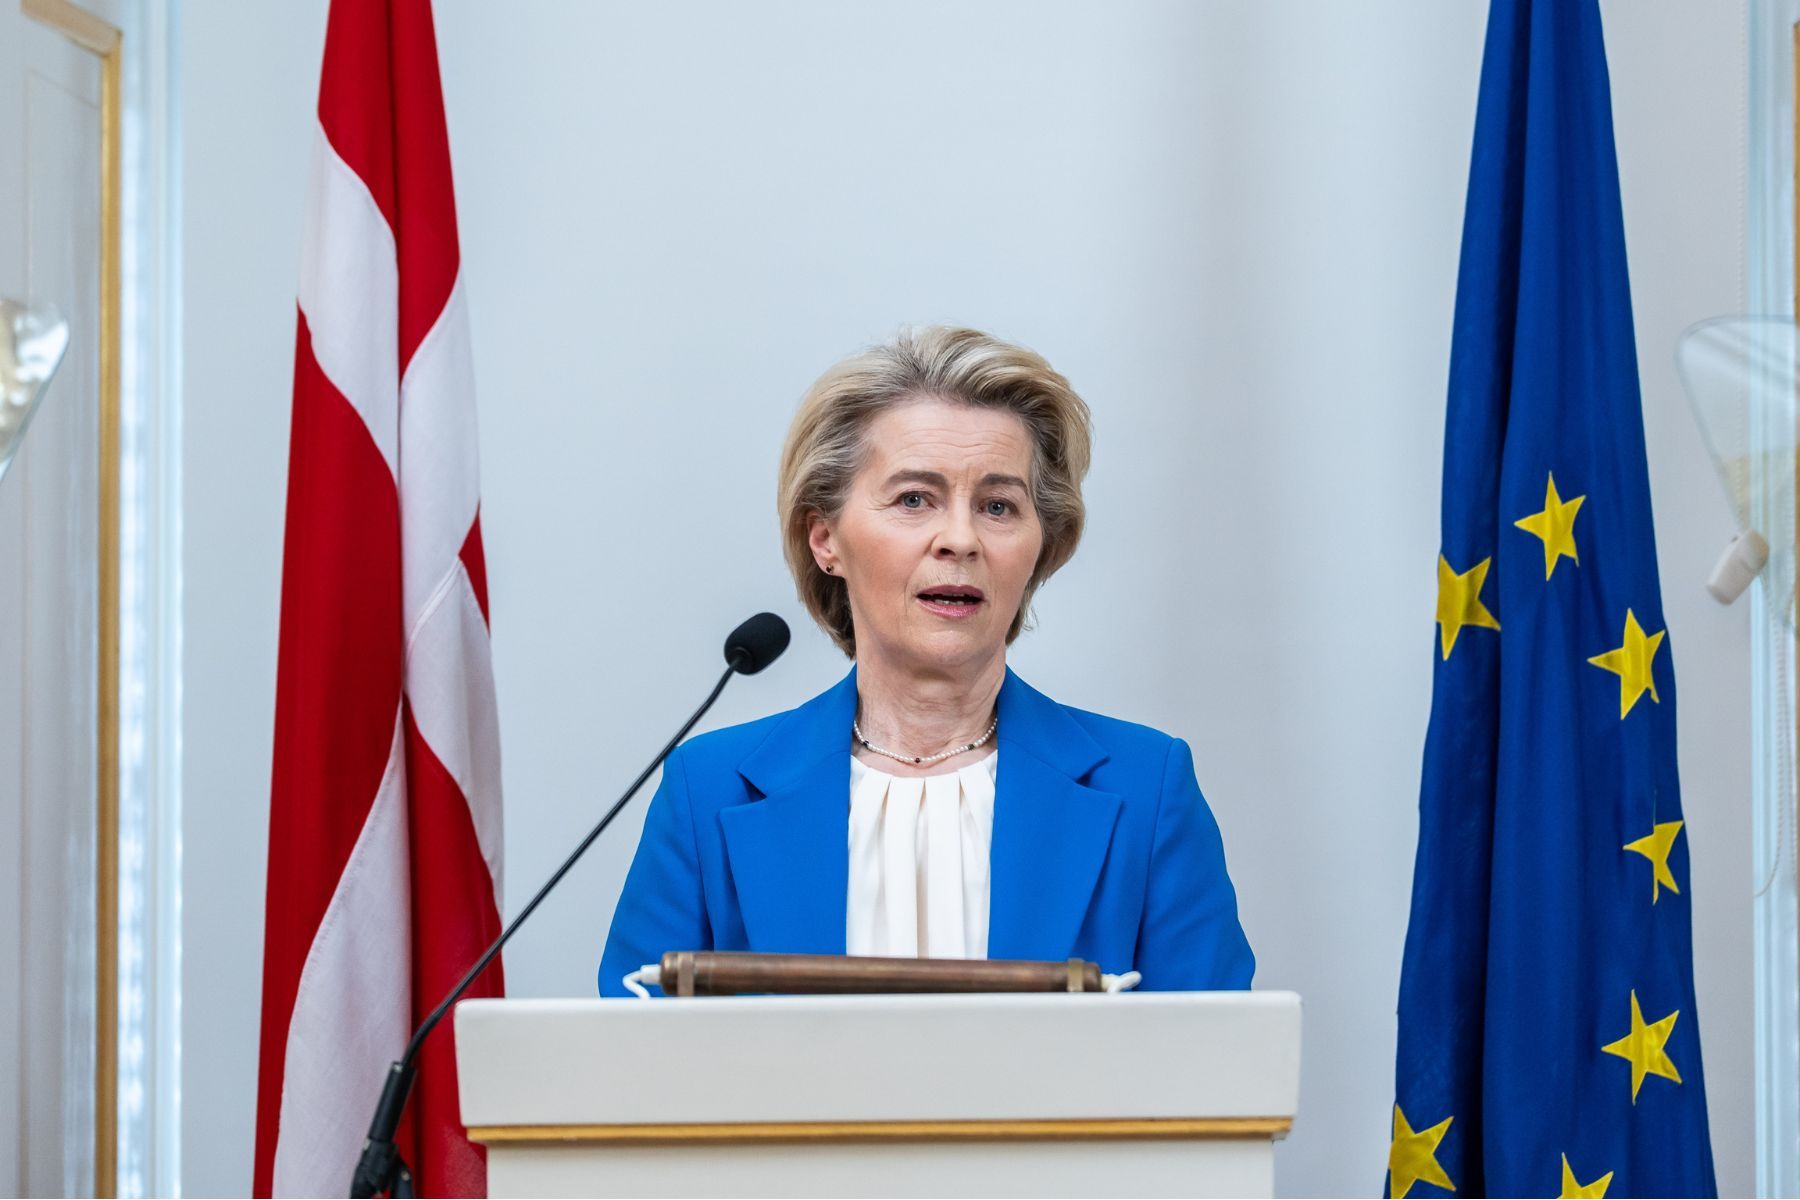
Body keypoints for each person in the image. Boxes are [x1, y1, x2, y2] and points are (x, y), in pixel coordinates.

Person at [598, 326, 1252, 994]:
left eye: (998, 506)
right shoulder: (708, 792)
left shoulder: (1147, 789)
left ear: (1040, 546)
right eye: (914, 499)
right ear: (825, 539)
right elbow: (632, 1051)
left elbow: (1217, 1051)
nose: (961, 539)